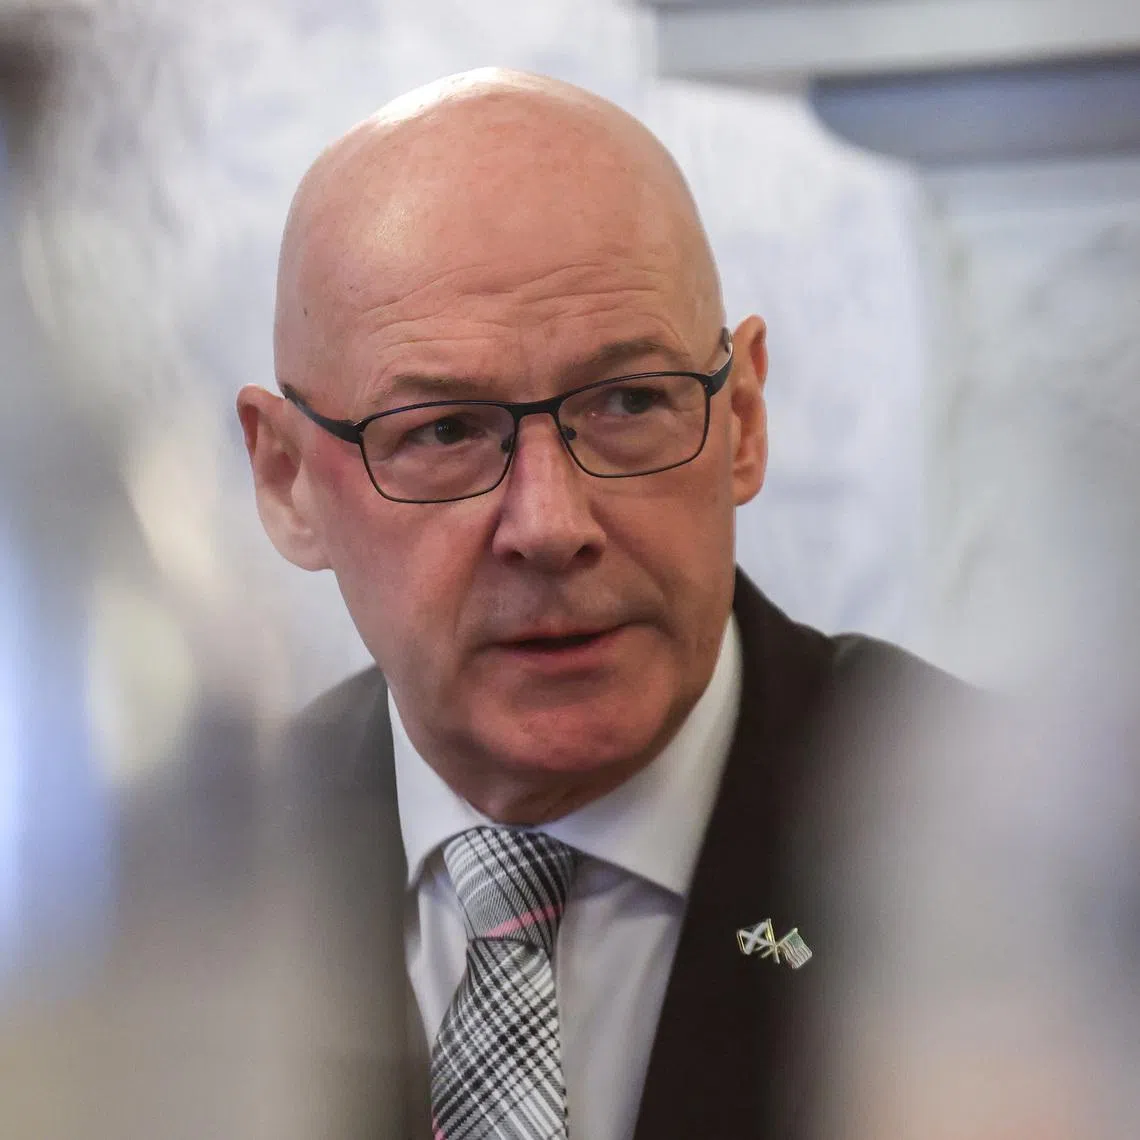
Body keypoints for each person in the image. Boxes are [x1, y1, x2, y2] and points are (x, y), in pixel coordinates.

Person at [233, 68, 968, 1140]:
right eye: (443, 430)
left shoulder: (1011, 857)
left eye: (630, 403)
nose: (550, 522)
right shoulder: (167, 905)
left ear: (744, 421)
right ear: (288, 480)